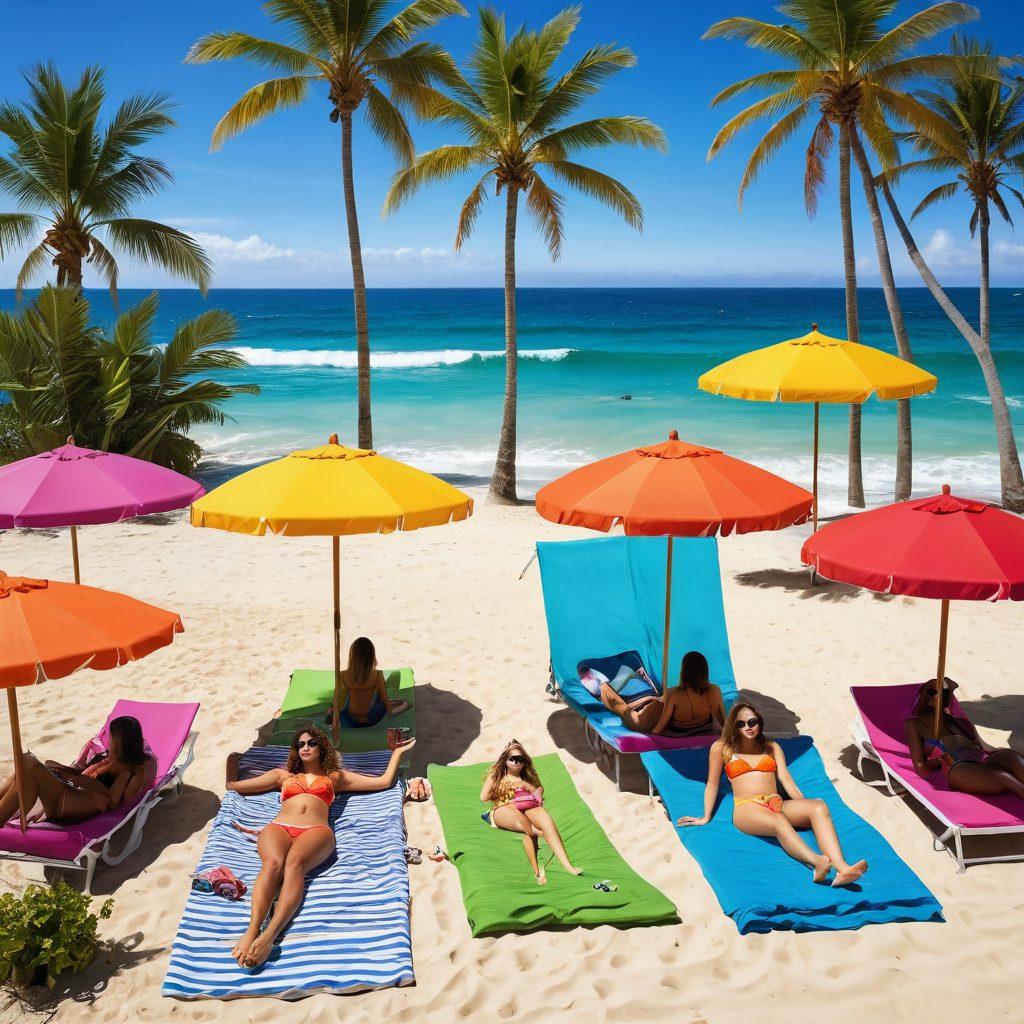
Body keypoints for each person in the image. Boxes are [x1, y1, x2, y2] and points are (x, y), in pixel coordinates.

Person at [225, 723, 414, 968]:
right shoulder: (282, 776)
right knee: (272, 864)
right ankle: (251, 931)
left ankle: (269, 936)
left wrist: (396, 753)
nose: (305, 747)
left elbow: (383, 782)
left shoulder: (335, 778)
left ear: (322, 747)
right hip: (279, 827)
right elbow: (234, 787)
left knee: (294, 864)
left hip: (315, 830)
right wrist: (231, 760)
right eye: (300, 744)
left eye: (311, 743)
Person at [678, 703, 868, 887]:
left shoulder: (772, 747)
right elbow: (712, 783)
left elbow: (787, 781)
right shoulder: (722, 748)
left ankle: (843, 868)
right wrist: (705, 817)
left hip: (774, 803)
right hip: (746, 808)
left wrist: (804, 807)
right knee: (778, 820)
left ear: (759, 722)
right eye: (741, 723)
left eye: (752, 722)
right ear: (733, 727)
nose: (748, 727)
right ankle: (817, 862)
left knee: (818, 806)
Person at [0, 716, 154, 826]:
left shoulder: (127, 771)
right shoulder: (109, 759)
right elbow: (84, 775)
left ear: (118, 742)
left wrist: (85, 783)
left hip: (71, 803)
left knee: (29, 762)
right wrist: (68, 772)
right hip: (70, 794)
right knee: (25, 765)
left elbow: (114, 803)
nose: (109, 742)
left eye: (111, 738)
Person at [480, 739, 583, 885]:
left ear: (525, 762)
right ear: (505, 760)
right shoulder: (497, 776)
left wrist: (527, 786)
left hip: (523, 806)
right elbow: (483, 797)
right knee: (519, 816)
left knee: (546, 820)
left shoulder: (526, 778)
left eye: (520, 759)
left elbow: (538, 794)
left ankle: (567, 865)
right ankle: (538, 850)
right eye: (512, 759)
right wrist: (506, 788)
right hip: (500, 811)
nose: (516, 762)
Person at [905, 679, 1024, 798]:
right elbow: (920, 766)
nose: (941, 696)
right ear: (924, 697)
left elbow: (981, 746)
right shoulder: (914, 723)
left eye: (944, 692)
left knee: (1012, 757)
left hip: (978, 759)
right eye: (932, 692)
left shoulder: (956, 721)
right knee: (1002, 776)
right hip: (956, 767)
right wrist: (939, 767)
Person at [329, 636, 410, 730]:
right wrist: (390, 712)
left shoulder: (342, 675)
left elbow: (336, 699)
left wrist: (333, 712)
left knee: (345, 698)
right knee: (380, 700)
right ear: (372, 656)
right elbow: (385, 700)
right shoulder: (377, 674)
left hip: (349, 720)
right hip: (371, 720)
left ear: (352, 655)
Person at [651, 651, 725, 736]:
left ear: (684, 671)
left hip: (679, 735)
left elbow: (660, 727)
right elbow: (723, 721)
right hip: (704, 731)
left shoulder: (673, 694)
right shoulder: (714, 690)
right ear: (705, 670)